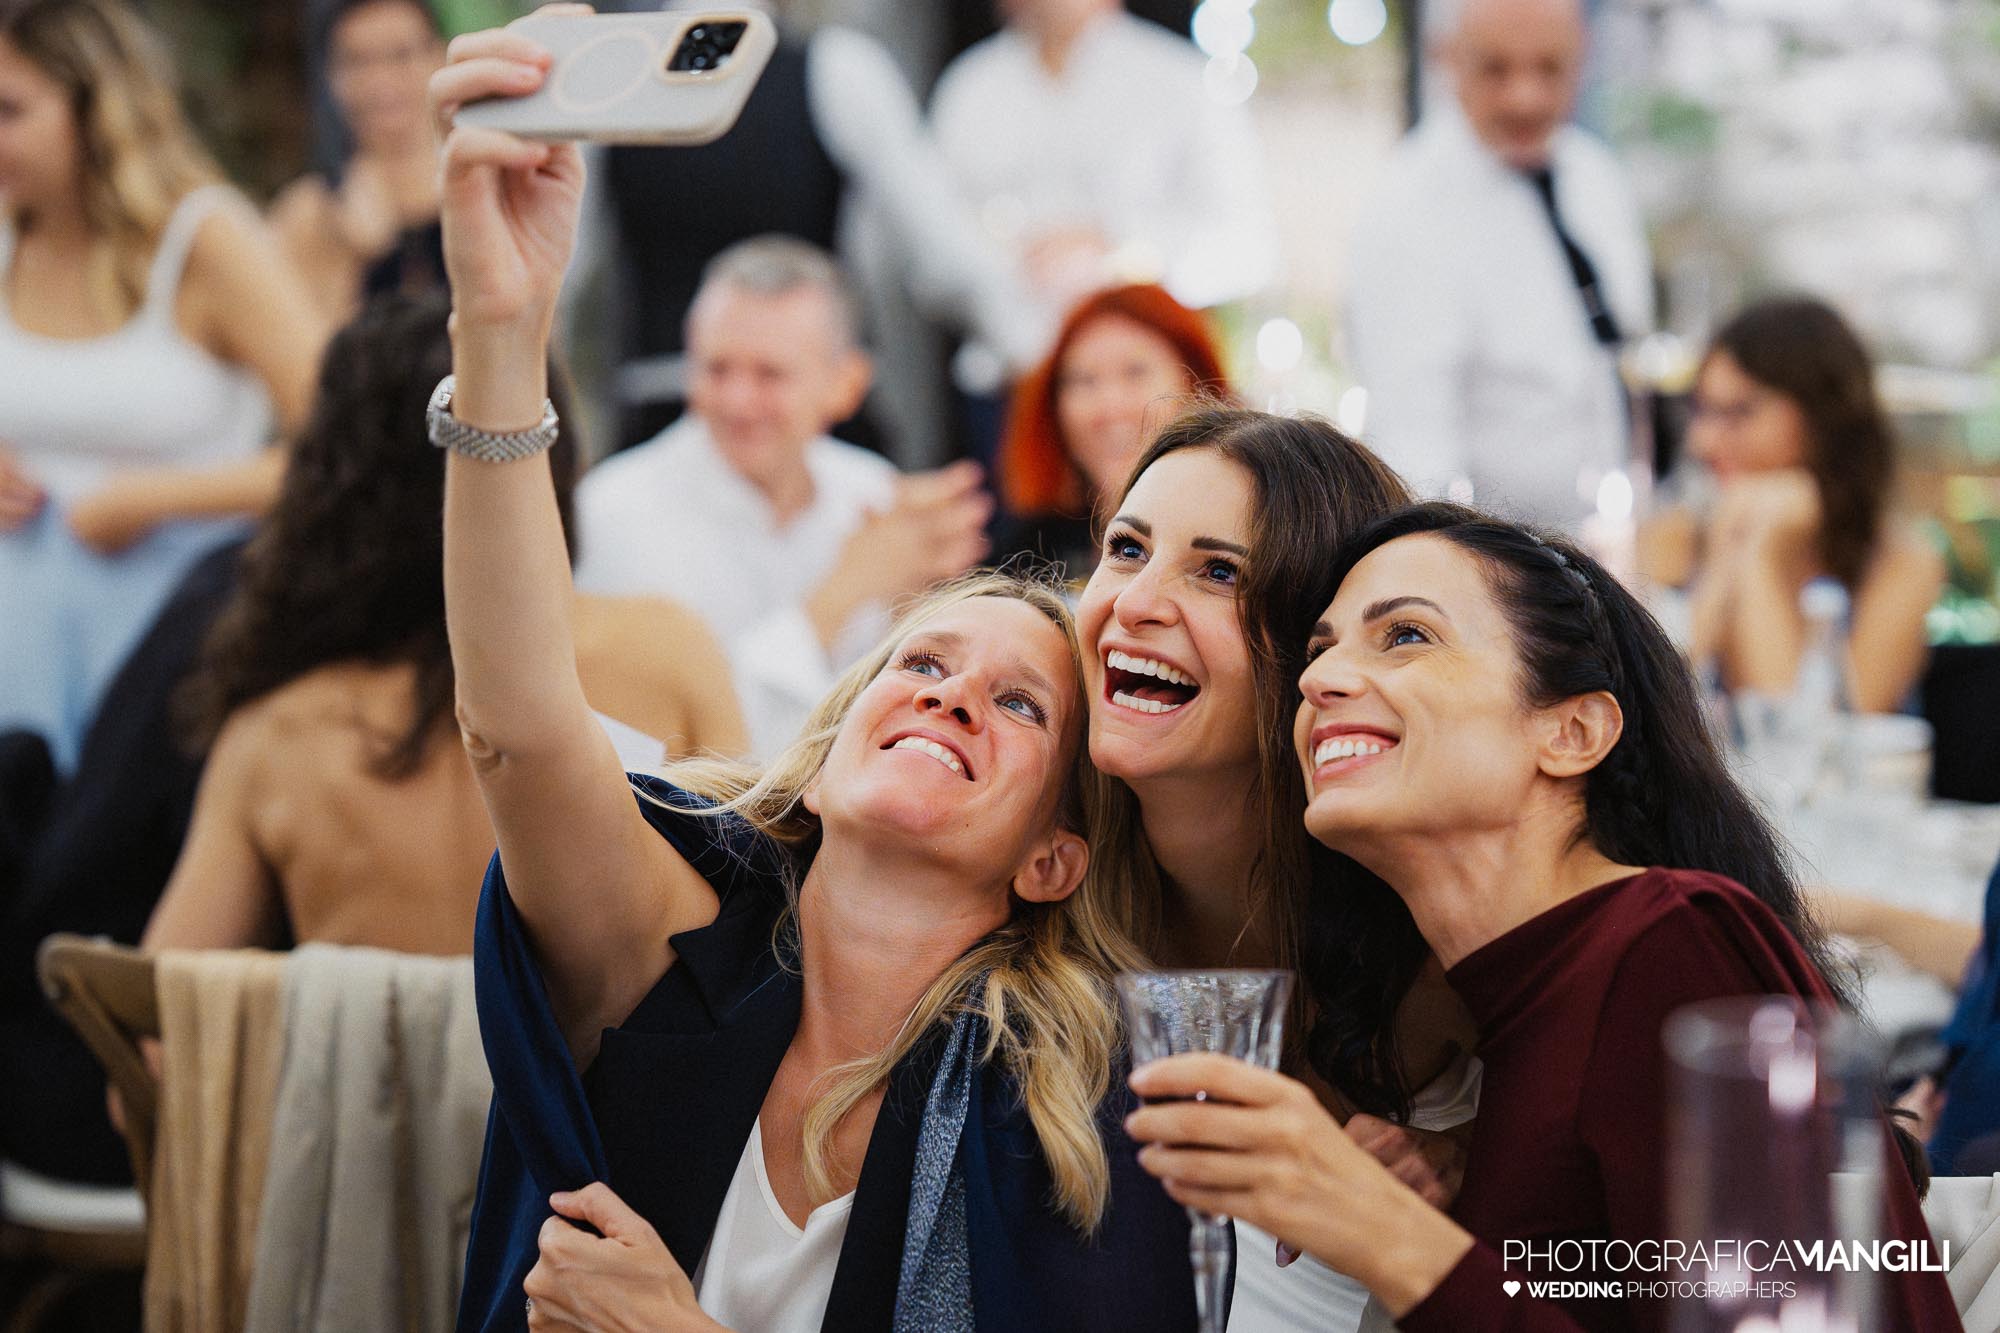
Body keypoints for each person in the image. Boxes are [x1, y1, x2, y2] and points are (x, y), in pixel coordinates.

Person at [429, 27, 1196, 1331]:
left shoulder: (1075, 1139)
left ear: (1055, 857)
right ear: (834, 740)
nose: (950, 693)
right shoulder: (670, 959)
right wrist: (501, 326)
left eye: (1020, 704)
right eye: (921, 660)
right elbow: (518, 725)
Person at [1124, 502, 1959, 1331]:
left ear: (1571, 730)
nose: (1317, 679)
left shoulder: (1671, 939)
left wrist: (1384, 1232)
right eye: (1321, 649)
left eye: (1406, 634)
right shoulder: (1526, 1011)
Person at [139, 293, 746, 958]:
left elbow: (168, 1015)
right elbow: (757, 927)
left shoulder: (276, 738)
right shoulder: (668, 656)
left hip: (369, 1064)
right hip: (608, 1061)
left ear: (332, 488)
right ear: (552, 452)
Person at [1076, 410, 1479, 1332]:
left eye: (1219, 572)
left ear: (1324, 647)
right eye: (1126, 547)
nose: (1135, 602)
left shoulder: (1444, 937)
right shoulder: (1038, 858)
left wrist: (1478, 1159)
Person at [0, 0, 325, 772]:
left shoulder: (208, 241)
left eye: (10, 110)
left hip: (171, 664)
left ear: (97, 105)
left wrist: (152, 498)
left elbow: (341, 453)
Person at [572, 235, 991, 760]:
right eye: (716, 368)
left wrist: (926, 607)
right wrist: (842, 595)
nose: (737, 400)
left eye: (769, 374)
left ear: (846, 384)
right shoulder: (613, 511)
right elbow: (682, 749)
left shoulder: (872, 490)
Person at [580, 5, 1039, 454]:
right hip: (702, 420)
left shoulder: (613, 76)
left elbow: (563, 273)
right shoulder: (838, 66)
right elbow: (944, 254)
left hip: (781, 422)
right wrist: (1039, 358)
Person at [1345, 0, 1652, 532]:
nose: (1525, 96)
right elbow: (1413, 448)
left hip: (1604, 547)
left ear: (1582, 60)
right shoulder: (1406, 210)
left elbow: (1618, 359)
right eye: (1496, 68)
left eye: (1549, 68)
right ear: (1447, 58)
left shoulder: (1595, 176)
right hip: (1496, 565)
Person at [930, 0, 1276, 436]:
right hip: (1008, 392)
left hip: (1147, 397)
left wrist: (1117, 250)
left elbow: (1247, 245)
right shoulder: (970, 89)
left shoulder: (1176, 79)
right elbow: (930, 252)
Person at [1640, 297, 1945, 714]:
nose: (1702, 442)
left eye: (1739, 412)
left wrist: (1760, 553)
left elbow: (1817, 737)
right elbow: (1649, 708)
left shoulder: (1900, 563)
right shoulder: (1673, 537)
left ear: (1822, 417)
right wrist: (1725, 557)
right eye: (1701, 410)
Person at [991, 283, 1228, 578]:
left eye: (1135, 373)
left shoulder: (1239, 543)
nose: (1109, 408)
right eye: (1084, 381)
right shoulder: (1031, 552)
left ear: (1198, 386)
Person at [269, 0, 447, 326]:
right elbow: (296, 361)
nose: (381, 80)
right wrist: (344, 259)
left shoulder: (482, 191)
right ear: (331, 77)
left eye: (400, 55)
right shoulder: (307, 213)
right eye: (357, 62)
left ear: (437, 56)